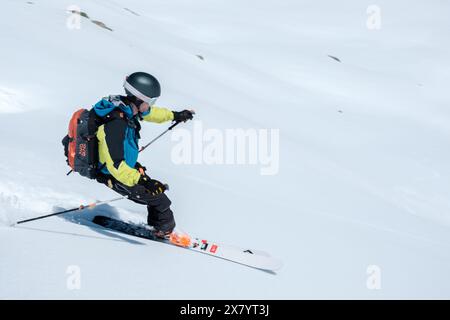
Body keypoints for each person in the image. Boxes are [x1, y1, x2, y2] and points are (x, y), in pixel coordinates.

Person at [94, 72, 194, 238]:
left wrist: (175, 115)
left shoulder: (126, 108)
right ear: (138, 99)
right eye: (150, 101)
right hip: (114, 173)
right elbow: (116, 165)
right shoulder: (115, 123)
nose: (150, 106)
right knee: (160, 200)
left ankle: (160, 228)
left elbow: (152, 114)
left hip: (128, 168)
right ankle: (163, 231)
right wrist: (142, 181)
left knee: (156, 196)